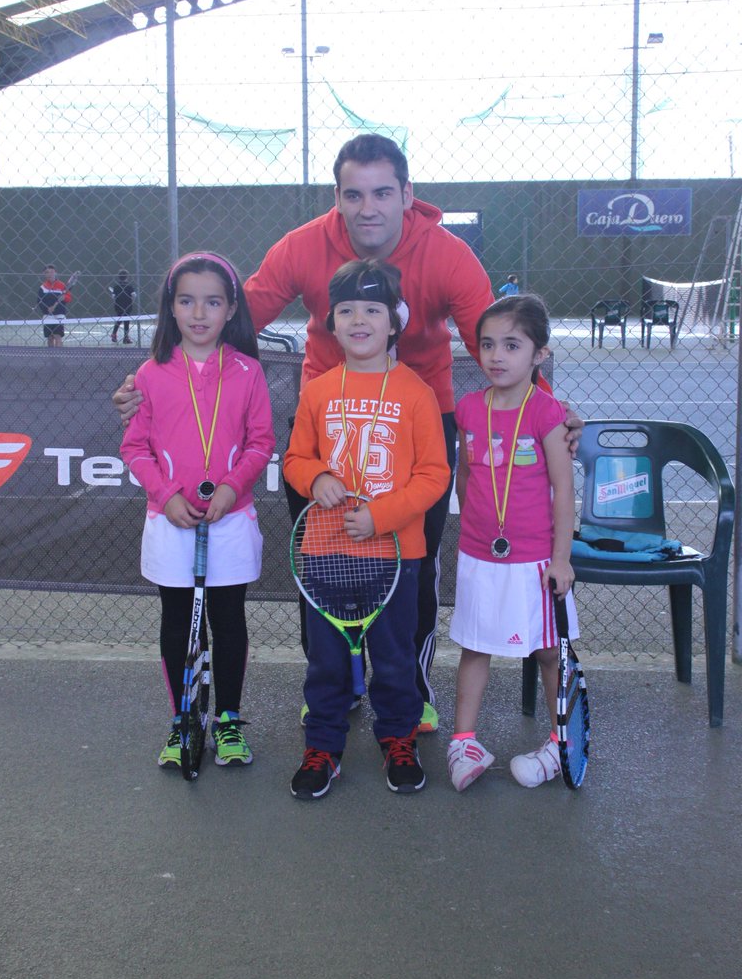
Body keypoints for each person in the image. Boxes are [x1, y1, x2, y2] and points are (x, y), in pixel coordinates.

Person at [113, 134, 581, 730]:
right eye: (353, 194)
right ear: (337, 197)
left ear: (408, 195)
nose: (368, 208)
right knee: (325, 564)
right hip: (325, 422)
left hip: (419, 418)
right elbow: (227, 314)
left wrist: (547, 414)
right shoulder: (303, 246)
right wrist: (151, 381)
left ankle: (408, 689)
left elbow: (502, 349)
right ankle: (331, 687)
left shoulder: (449, 256)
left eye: (383, 193)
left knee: (410, 564)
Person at [283, 259, 449, 799]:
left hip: (395, 557)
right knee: (326, 663)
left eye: (373, 309)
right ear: (331, 323)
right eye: (347, 310)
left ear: (394, 321)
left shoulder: (416, 393)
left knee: (396, 662)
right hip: (327, 553)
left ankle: (397, 739)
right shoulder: (317, 391)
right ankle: (323, 747)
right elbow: (294, 460)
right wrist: (317, 477)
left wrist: (381, 516)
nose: (360, 320)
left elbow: (434, 475)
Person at [120, 252, 275, 771]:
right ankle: (183, 718)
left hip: (230, 520)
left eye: (212, 301)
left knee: (227, 620)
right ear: (171, 307)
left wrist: (230, 489)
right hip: (171, 521)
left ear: (231, 308)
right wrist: (166, 496)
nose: (199, 312)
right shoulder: (150, 373)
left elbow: (261, 442)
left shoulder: (249, 371)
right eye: (187, 301)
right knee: (178, 623)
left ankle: (227, 720)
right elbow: (135, 449)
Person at [446, 293, 577, 793]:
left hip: (537, 558)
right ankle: (463, 742)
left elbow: (563, 489)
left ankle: (560, 742)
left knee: (547, 652)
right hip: (481, 554)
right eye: (487, 344)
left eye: (512, 345)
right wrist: (479, 528)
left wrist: (561, 558)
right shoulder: (468, 408)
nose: (496, 356)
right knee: (475, 647)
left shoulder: (547, 413)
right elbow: (466, 474)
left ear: (539, 354)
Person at [37, 264, 71, 347]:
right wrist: (47, 309)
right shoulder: (42, 287)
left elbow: (69, 298)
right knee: (50, 338)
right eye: (47, 272)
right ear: (44, 274)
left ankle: (58, 356)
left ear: (55, 273)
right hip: (47, 316)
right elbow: (39, 301)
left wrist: (64, 297)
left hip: (59, 315)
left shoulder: (62, 285)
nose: (50, 274)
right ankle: (51, 356)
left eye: (52, 272)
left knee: (57, 336)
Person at [109, 269, 136, 344]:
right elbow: (134, 295)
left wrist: (116, 302)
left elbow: (113, 296)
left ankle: (114, 334)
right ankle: (125, 338)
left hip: (118, 306)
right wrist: (131, 301)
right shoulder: (129, 286)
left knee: (119, 320)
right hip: (127, 306)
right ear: (127, 277)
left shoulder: (116, 287)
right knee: (126, 321)